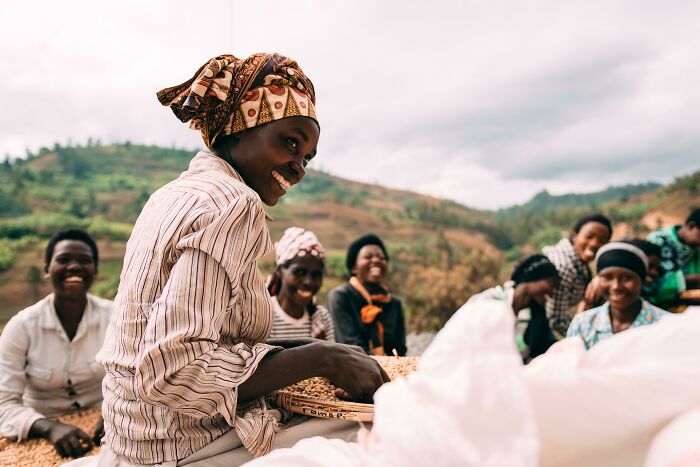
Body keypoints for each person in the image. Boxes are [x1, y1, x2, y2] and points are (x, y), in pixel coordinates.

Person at [95, 53, 389, 465]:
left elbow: (203, 339)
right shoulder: (234, 204)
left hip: (132, 437)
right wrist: (323, 358)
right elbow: (173, 371)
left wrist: (311, 351)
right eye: (290, 142)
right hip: (179, 444)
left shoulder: (174, 193)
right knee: (389, 430)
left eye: (307, 156)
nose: (300, 168)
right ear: (237, 131)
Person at [0, 229, 112, 458]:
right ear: (46, 269)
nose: (74, 267)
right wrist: (49, 427)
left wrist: (113, 414)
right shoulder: (21, 327)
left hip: (104, 424)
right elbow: (3, 404)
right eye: (63, 260)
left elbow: (136, 380)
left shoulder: (116, 317)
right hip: (40, 425)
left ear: (95, 271)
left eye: (85, 261)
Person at [567, 242, 667, 349]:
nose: (616, 286)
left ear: (642, 281)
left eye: (626, 278)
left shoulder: (664, 325)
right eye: (608, 277)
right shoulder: (582, 324)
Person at [469, 254, 559, 362]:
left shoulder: (537, 317)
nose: (552, 292)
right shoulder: (489, 301)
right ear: (533, 277)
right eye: (551, 283)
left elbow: (548, 350)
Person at [328, 234, 407, 356]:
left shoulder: (394, 303)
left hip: (391, 371)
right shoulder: (340, 297)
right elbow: (351, 348)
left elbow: (400, 350)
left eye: (381, 257)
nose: (376, 260)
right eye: (368, 257)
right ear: (354, 268)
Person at [543, 213, 612, 338]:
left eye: (602, 240)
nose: (594, 243)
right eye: (589, 236)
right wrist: (586, 338)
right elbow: (556, 320)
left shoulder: (579, 264)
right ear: (575, 236)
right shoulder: (563, 267)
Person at [267, 227, 335, 342]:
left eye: (316, 274)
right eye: (300, 272)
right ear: (280, 270)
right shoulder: (264, 317)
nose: (308, 282)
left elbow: (331, 359)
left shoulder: (322, 318)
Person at [578, 239, 663, 311]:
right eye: (650, 266)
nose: (654, 272)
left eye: (656, 268)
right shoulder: (598, 286)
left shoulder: (655, 287)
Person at [646, 208, 700, 307]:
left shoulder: (694, 247)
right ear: (691, 227)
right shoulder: (659, 242)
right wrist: (691, 279)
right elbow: (654, 284)